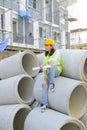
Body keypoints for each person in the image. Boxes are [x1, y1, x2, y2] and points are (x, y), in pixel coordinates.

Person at [40, 38, 62, 112]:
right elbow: (44, 67)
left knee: (51, 66)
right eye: (45, 45)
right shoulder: (45, 55)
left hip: (56, 70)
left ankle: (52, 83)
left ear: (51, 46)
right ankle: (44, 104)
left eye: (47, 45)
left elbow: (53, 60)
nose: (45, 47)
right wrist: (45, 74)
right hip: (48, 72)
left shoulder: (57, 52)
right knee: (44, 85)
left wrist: (45, 63)